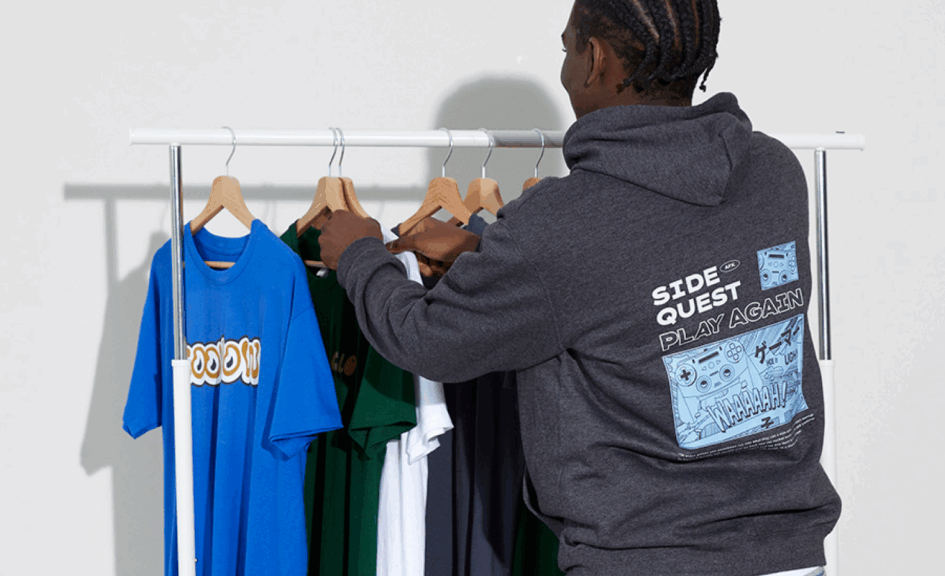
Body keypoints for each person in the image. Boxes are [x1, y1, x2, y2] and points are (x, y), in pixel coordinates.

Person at [317, 1, 841, 575]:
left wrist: (359, 254)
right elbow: (637, 280)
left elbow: (427, 340)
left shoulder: (562, 224)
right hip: (791, 558)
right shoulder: (772, 170)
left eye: (566, 47)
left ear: (594, 60)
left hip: (645, 561)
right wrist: (484, 255)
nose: (566, 65)